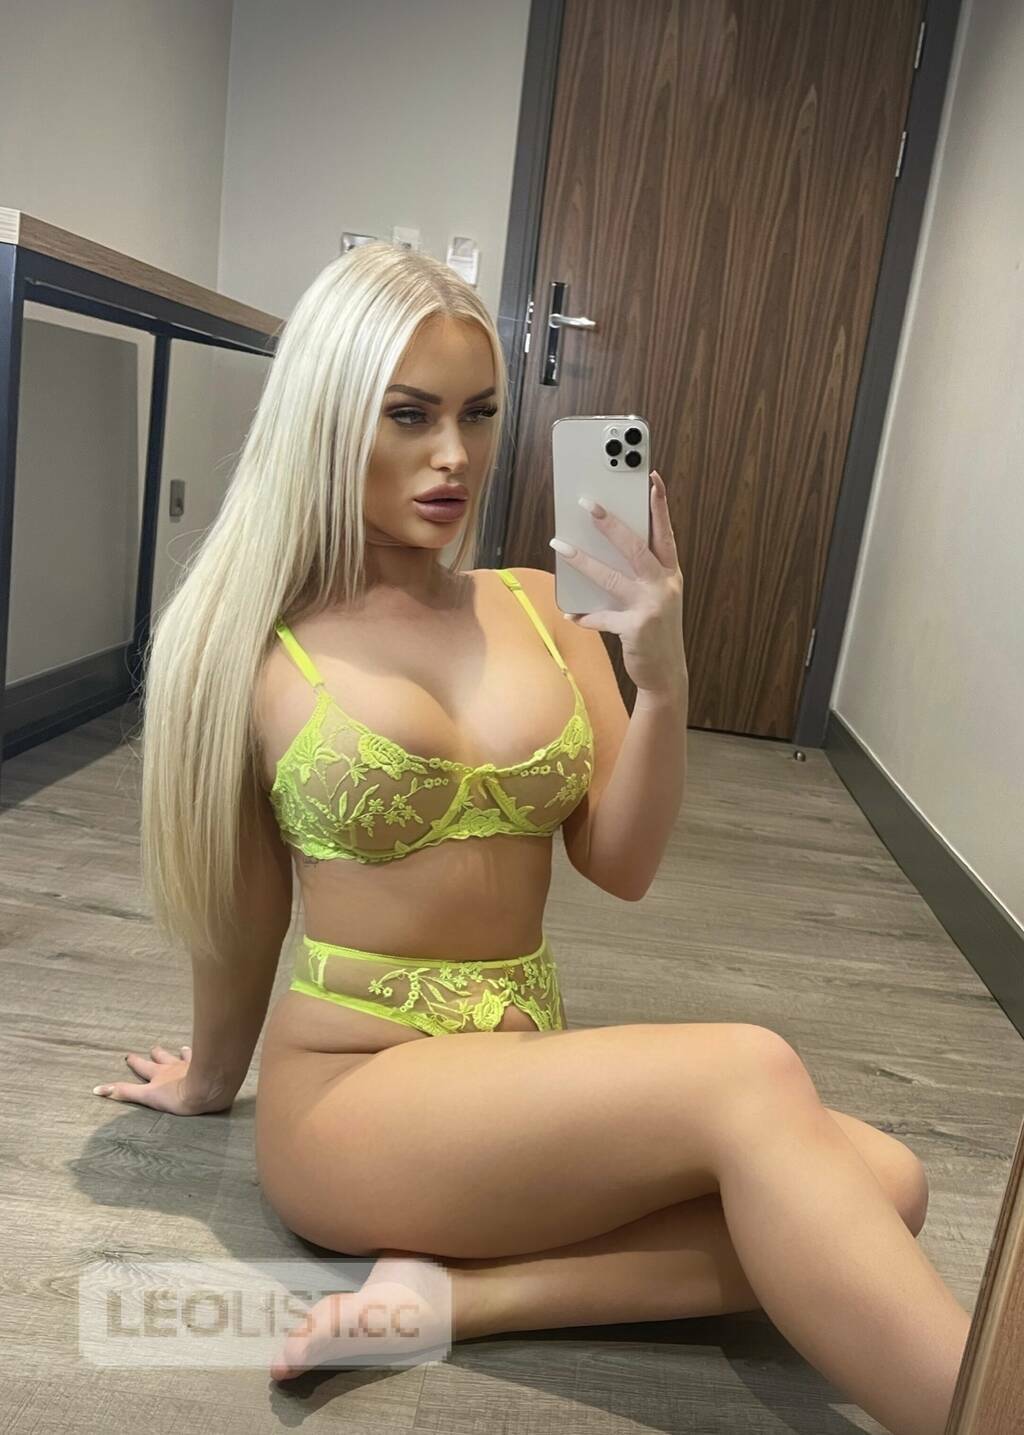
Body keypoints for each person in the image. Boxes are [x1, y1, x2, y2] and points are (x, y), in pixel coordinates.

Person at [92, 241, 969, 1432]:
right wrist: (208, 1079)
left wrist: (662, 681)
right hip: (355, 1091)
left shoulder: (540, 605)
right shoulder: (251, 646)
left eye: (479, 414)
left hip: (511, 1066)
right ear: (323, 416)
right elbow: (242, 916)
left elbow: (621, 863)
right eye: (409, 415)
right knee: (753, 1076)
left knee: (887, 1181)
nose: (454, 455)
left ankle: (457, 1299)